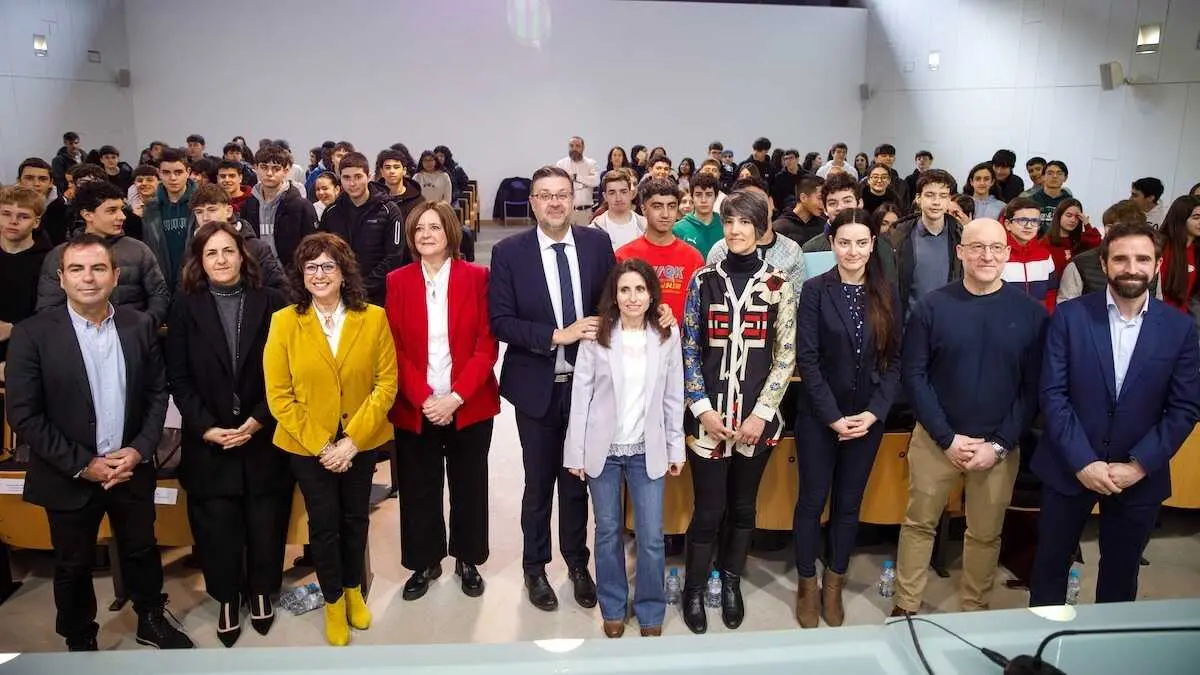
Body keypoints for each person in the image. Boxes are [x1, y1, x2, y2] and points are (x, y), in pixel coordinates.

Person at [6, 234, 193, 651]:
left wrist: (139, 450)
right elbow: (24, 414)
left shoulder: (138, 324)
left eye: (97, 269)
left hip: (131, 467)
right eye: (77, 269)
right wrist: (84, 464)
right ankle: (80, 637)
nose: (87, 278)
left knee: (142, 549)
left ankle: (149, 618)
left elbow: (157, 393)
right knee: (72, 564)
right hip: (68, 473)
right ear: (61, 278)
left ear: (114, 275)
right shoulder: (33, 334)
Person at [1030, 221, 1200, 606]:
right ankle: (1040, 659)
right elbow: (1053, 395)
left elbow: (1184, 407)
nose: (1131, 267)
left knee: (1121, 578)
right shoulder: (1069, 317)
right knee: (1049, 569)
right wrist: (1084, 462)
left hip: (1138, 475)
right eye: (1120, 258)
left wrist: (1139, 466)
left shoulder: (1180, 329)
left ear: (1157, 265)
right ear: (1104, 263)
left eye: (1142, 258)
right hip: (1069, 466)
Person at [892, 218, 1048, 617]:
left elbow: (1032, 389)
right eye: (977, 247)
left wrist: (999, 445)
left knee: (984, 533)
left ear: (1008, 254)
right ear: (960, 252)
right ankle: (906, 607)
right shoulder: (932, 306)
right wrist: (947, 438)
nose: (987, 256)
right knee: (918, 525)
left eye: (996, 248)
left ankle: (975, 609)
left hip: (998, 447)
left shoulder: (1031, 315)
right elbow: (914, 375)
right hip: (936, 441)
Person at [488, 165, 615, 613]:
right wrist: (556, 334)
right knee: (539, 482)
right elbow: (500, 321)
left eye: (562, 195)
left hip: (588, 387)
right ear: (533, 202)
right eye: (545, 195)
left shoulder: (597, 244)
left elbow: (613, 304)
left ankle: (577, 564)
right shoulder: (509, 253)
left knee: (577, 479)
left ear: (573, 199)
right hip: (538, 386)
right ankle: (535, 566)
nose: (555, 203)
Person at [263, 233, 398, 646]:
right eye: (311, 267)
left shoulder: (373, 317)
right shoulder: (284, 321)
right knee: (323, 527)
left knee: (355, 519)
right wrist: (324, 446)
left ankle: (355, 590)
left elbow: (386, 384)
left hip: (360, 441)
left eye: (328, 267)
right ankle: (334, 602)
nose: (319, 275)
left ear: (343, 273)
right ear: (301, 275)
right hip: (308, 447)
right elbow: (278, 395)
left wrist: (352, 441)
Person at [166, 221, 290, 647]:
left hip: (263, 431)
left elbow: (284, 373)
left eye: (228, 251)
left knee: (265, 519)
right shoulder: (184, 307)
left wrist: (257, 419)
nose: (221, 260)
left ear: (243, 255)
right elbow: (179, 379)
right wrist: (206, 427)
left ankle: (260, 591)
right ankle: (226, 595)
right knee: (216, 525)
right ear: (199, 262)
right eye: (211, 254)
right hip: (210, 437)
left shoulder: (273, 302)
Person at [680, 190, 797, 634]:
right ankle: (693, 587)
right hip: (709, 421)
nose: (735, 230)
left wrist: (761, 413)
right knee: (708, 510)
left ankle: (730, 580)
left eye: (745, 223)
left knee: (743, 508)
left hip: (756, 422)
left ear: (761, 228)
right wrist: (703, 409)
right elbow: (689, 348)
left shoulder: (778, 283)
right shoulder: (702, 280)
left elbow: (785, 355)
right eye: (729, 222)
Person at [564, 259, 685, 639]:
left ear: (652, 295)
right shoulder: (598, 335)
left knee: (650, 535)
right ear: (614, 296)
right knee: (607, 531)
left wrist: (675, 447)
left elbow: (672, 395)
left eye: (639, 290)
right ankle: (613, 606)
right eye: (624, 290)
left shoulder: (666, 335)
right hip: (604, 449)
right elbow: (581, 396)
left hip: (646, 449)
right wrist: (576, 453)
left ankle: (650, 610)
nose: (632, 297)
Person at [793, 208, 901, 628]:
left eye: (861, 242)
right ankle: (807, 583)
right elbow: (808, 359)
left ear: (872, 244)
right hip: (821, 418)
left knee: (848, 505)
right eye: (844, 242)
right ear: (832, 244)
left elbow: (895, 362)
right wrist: (834, 417)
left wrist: (873, 413)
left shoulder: (887, 292)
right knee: (811, 501)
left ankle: (834, 583)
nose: (852, 250)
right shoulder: (816, 290)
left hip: (868, 421)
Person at [386, 202, 499, 602]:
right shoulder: (397, 281)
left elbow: (487, 346)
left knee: (469, 485)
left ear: (450, 232)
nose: (426, 235)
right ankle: (424, 560)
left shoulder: (477, 277)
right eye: (419, 229)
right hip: (415, 405)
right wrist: (423, 398)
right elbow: (393, 349)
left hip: (468, 401)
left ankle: (467, 560)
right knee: (419, 486)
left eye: (434, 227)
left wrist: (454, 397)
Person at [36, 180, 170, 325]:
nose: (122, 216)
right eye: (112, 210)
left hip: (133, 338)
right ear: (87, 215)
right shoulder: (60, 255)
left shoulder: (138, 249)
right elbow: (49, 307)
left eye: (121, 209)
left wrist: (145, 325)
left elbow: (159, 294)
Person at [318, 151, 409, 304]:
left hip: (379, 295)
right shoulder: (331, 213)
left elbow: (394, 256)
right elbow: (322, 252)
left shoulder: (389, 210)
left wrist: (364, 287)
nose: (352, 183)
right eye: (346, 178)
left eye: (358, 177)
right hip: (339, 294)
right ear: (340, 179)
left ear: (369, 176)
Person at [616, 179, 705, 325]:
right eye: (657, 206)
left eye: (671, 206)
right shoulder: (624, 256)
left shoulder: (694, 258)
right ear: (644, 209)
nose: (665, 214)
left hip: (681, 344)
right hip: (636, 341)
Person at [707, 179, 807, 288]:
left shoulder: (792, 250)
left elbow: (796, 299)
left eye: (759, 200)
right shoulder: (720, 250)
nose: (754, 208)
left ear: (771, 202)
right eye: (746, 204)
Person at [190, 184, 289, 294]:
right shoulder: (193, 248)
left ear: (228, 211)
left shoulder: (256, 248)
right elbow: (185, 290)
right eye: (199, 212)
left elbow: (281, 291)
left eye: (212, 210)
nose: (205, 218)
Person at [891, 169, 963, 317]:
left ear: (949, 200)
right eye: (930, 195)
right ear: (918, 198)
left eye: (943, 196)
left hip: (948, 325)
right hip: (908, 327)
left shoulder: (961, 236)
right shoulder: (897, 237)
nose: (936, 202)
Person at [241, 144, 319, 275]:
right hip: (256, 277)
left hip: (292, 279)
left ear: (286, 170)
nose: (269, 173)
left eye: (276, 169)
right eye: (264, 167)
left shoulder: (302, 206)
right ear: (255, 168)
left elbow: (312, 248)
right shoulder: (249, 205)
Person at [0, 186, 52, 364]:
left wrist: (14, 328)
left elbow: (52, 310)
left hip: (30, 347)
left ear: (36, 222)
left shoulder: (48, 259)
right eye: (6, 214)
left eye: (23, 216)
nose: (13, 221)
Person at [1058, 201, 1148, 303]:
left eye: (1139, 230)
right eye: (1127, 229)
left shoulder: (1150, 266)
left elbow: (1157, 307)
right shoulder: (1079, 265)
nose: (1134, 236)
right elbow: (1066, 310)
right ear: (1108, 229)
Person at [141, 148, 197, 292]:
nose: (172, 178)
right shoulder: (150, 209)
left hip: (196, 280)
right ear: (159, 173)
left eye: (178, 172)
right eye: (166, 172)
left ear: (188, 172)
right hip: (163, 281)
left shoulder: (201, 203)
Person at [1001, 197, 1059, 312]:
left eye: (1034, 221)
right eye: (1022, 220)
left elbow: (1051, 292)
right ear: (1008, 224)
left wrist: (1048, 316)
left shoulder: (1045, 255)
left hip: (1039, 322)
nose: (1028, 226)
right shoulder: (997, 254)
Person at [1157, 195, 1200, 313]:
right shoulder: (1162, 246)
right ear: (1181, 218)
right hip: (1158, 313)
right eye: (1196, 217)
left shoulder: (1196, 250)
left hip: (1183, 317)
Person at [1043, 198, 1100, 280]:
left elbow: (1098, 249)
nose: (1073, 220)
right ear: (1059, 216)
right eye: (1068, 215)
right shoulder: (1045, 242)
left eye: (1077, 217)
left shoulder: (1082, 240)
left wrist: (1087, 225)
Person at [591, 169, 646, 251]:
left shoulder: (646, 226)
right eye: (612, 193)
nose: (618, 198)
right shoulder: (594, 230)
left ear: (631, 194)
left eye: (623, 192)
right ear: (605, 196)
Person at [673, 172, 723, 258]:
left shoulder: (726, 226)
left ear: (716, 196)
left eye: (709, 194)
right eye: (698, 194)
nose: (703, 200)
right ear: (692, 197)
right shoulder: (677, 229)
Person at [555, 137, 600, 226]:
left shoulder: (591, 163)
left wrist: (576, 177)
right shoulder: (561, 164)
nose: (574, 149)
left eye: (577, 146)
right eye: (571, 146)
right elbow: (559, 184)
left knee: (584, 239)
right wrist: (584, 183)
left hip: (585, 212)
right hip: (566, 212)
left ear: (583, 148)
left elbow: (595, 181)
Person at [772, 176, 826, 246]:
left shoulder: (824, 226)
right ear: (803, 198)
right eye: (820, 198)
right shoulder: (779, 228)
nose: (824, 203)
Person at [1025, 160, 1071, 235]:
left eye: (1059, 173)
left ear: (1065, 178)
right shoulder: (1030, 201)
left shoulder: (1070, 204)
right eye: (1050, 173)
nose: (1054, 176)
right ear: (1043, 176)